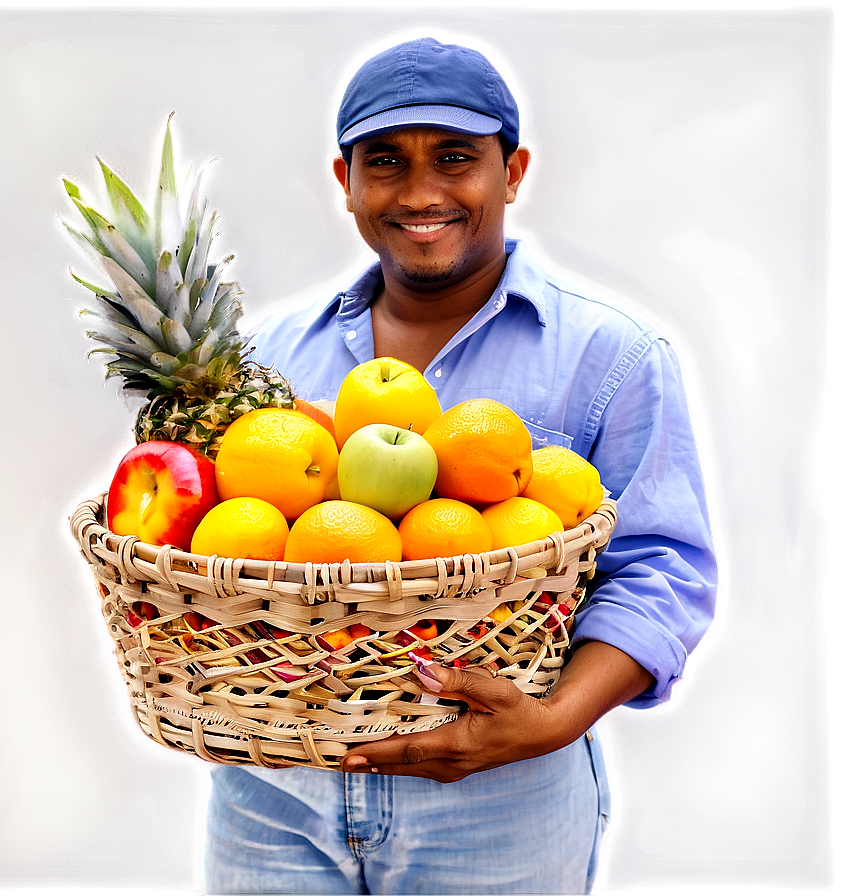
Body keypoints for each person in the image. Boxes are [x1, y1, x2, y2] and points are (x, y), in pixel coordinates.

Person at [203, 35, 718, 895]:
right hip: (272, 792)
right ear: (345, 184)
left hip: (502, 797)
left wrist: (550, 722)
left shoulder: (612, 356)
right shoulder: (265, 361)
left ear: (512, 171)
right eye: (385, 162)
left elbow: (665, 571)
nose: (420, 192)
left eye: (455, 158)